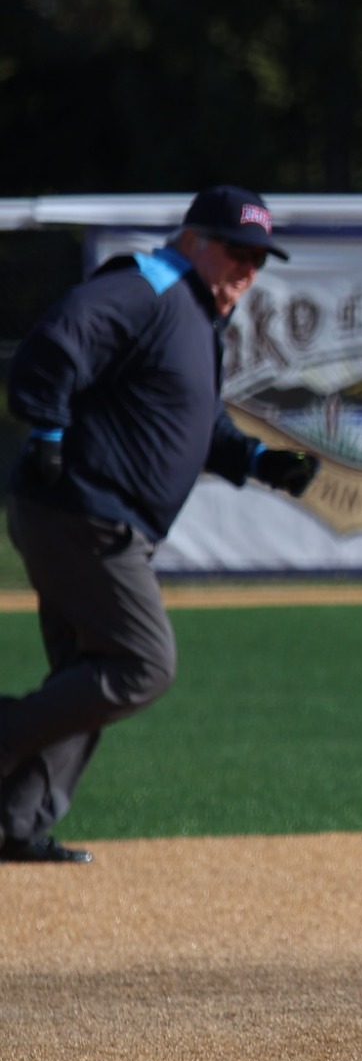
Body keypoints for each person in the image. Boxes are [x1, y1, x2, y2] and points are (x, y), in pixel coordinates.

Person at [0, 185, 320, 863]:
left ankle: (14, 822)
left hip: (94, 515)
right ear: (194, 239)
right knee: (141, 662)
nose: (248, 269)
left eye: (260, 258)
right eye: (238, 251)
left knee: (85, 677)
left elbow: (200, 428)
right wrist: (49, 427)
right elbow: (57, 340)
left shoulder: (198, 318)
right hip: (79, 509)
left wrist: (261, 461)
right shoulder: (147, 286)